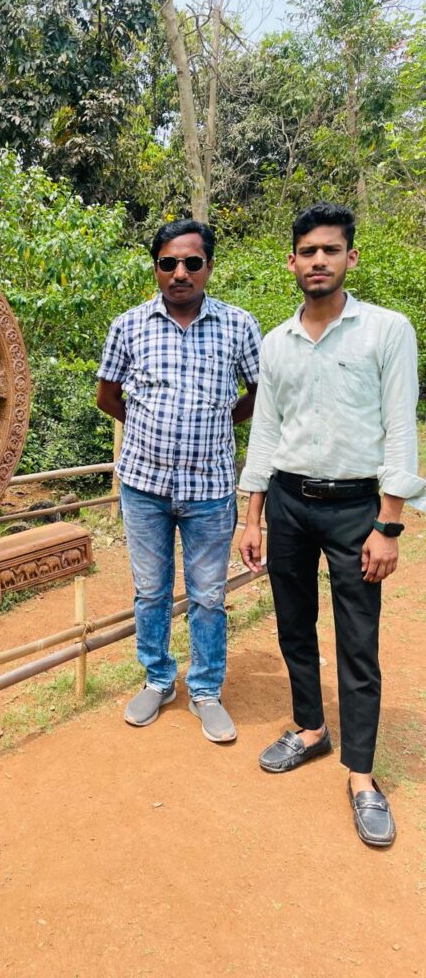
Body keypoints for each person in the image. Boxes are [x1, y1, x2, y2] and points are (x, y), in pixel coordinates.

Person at [239, 202, 426, 847]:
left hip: (355, 509)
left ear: (350, 257)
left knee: (357, 638)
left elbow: (400, 429)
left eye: (330, 250)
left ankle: (362, 774)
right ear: (291, 262)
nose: (318, 261)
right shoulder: (276, 343)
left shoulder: (386, 331)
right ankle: (311, 728)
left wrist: (389, 524)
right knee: (293, 624)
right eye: (308, 252)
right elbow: (265, 433)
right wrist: (253, 516)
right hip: (288, 503)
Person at [97, 220, 261, 741]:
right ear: (157, 268)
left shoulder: (238, 325)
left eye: (192, 262)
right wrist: (149, 427)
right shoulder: (129, 325)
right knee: (150, 591)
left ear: (209, 266)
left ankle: (206, 689)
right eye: (169, 263)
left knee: (208, 595)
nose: (180, 272)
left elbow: (260, 393)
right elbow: (108, 396)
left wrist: (220, 421)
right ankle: (158, 679)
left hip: (210, 489)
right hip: (144, 487)